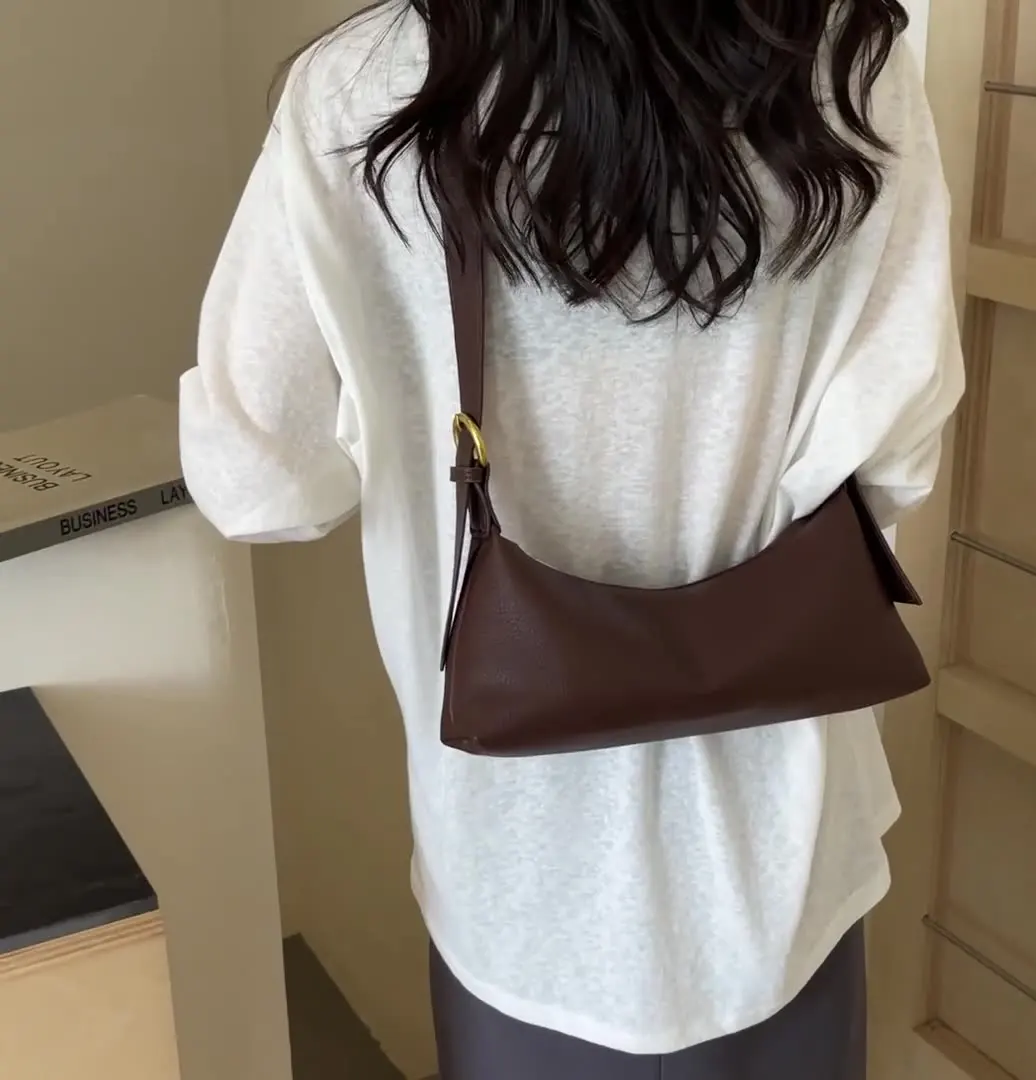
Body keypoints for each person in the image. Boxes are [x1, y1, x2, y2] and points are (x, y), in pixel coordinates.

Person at [179, 1, 964, 1077]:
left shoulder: (367, 82)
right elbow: (896, 457)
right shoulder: (844, 57)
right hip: (780, 845)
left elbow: (259, 485)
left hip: (518, 870)